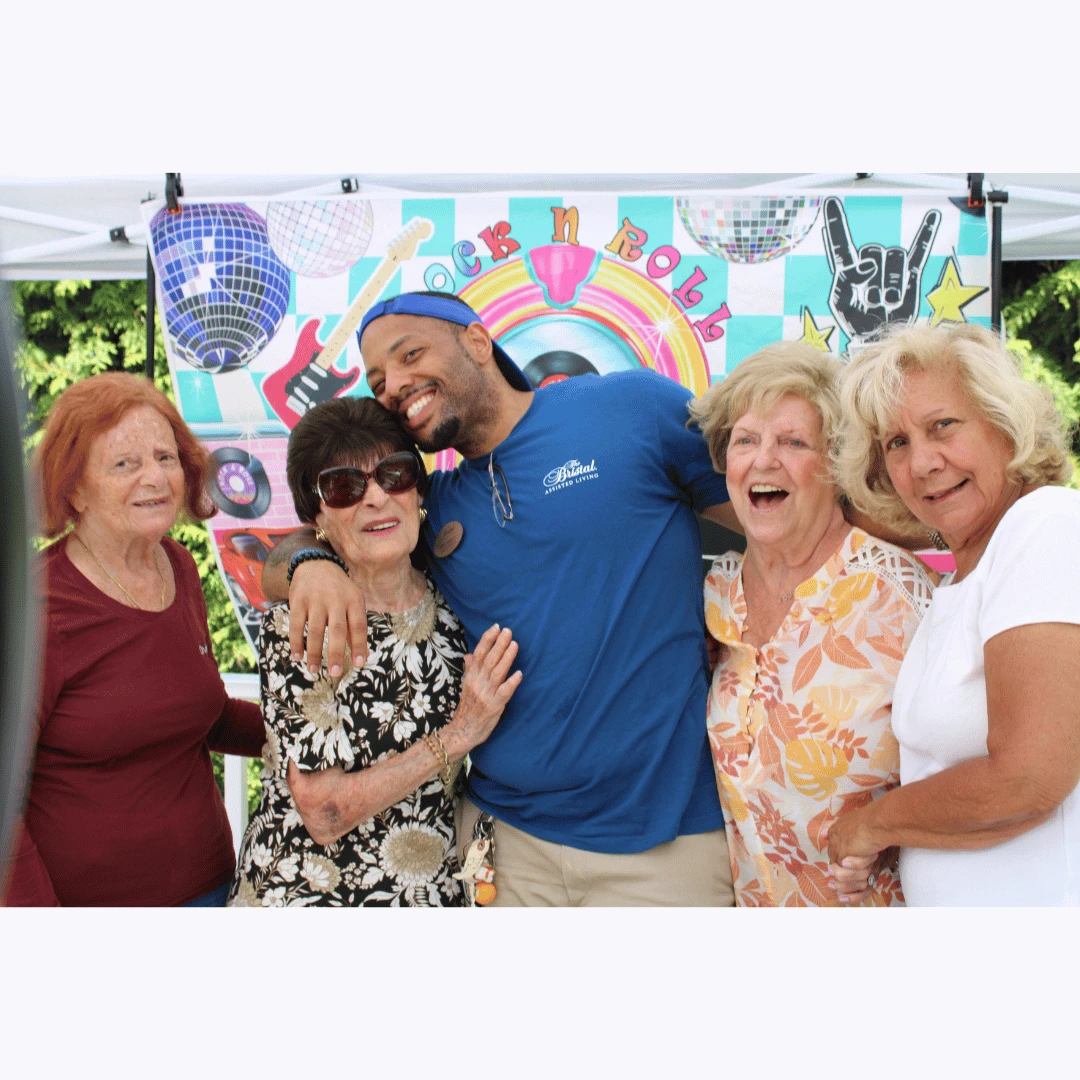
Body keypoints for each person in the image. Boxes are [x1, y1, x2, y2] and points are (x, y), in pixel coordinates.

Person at [263, 291, 741, 906]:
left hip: (660, 847)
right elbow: (315, 539)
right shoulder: (432, 507)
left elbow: (779, 516)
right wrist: (309, 563)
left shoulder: (631, 408)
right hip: (503, 846)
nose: (396, 386)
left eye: (411, 355)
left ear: (478, 342)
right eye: (380, 380)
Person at [229, 397, 519, 906]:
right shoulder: (305, 624)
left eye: (395, 474)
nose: (376, 498)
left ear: (418, 489)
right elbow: (325, 812)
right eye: (345, 487)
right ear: (315, 513)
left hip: (433, 893)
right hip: (310, 895)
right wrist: (460, 735)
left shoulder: (455, 598)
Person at [828, 323, 1080, 906]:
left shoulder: (1043, 524)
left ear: (1002, 423)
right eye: (896, 443)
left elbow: (1027, 780)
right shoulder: (958, 575)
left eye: (942, 426)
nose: (922, 463)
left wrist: (874, 824)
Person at [2, 372, 266, 907]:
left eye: (165, 458)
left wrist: (324, 736)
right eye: (125, 464)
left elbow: (199, 712)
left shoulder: (178, 565)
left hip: (212, 888)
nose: (156, 479)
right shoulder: (37, 606)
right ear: (73, 486)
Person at [688, 342, 937, 906]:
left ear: (836, 464)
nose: (763, 460)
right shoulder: (713, 596)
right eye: (745, 440)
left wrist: (889, 837)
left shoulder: (898, 594)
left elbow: (973, 770)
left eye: (793, 442)